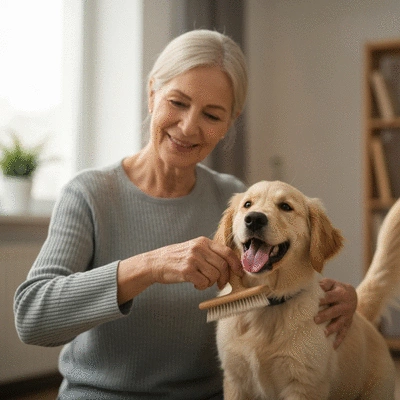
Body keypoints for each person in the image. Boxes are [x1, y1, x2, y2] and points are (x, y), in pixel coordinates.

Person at [14, 29, 357, 400]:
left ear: (229, 122)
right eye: (177, 102)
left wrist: (341, 300)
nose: (190, 126)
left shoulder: (238, 202)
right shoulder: (89, 195)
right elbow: (33, 318)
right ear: (151, 94)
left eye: (212, 114)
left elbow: (268, 294)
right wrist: (149, 266)